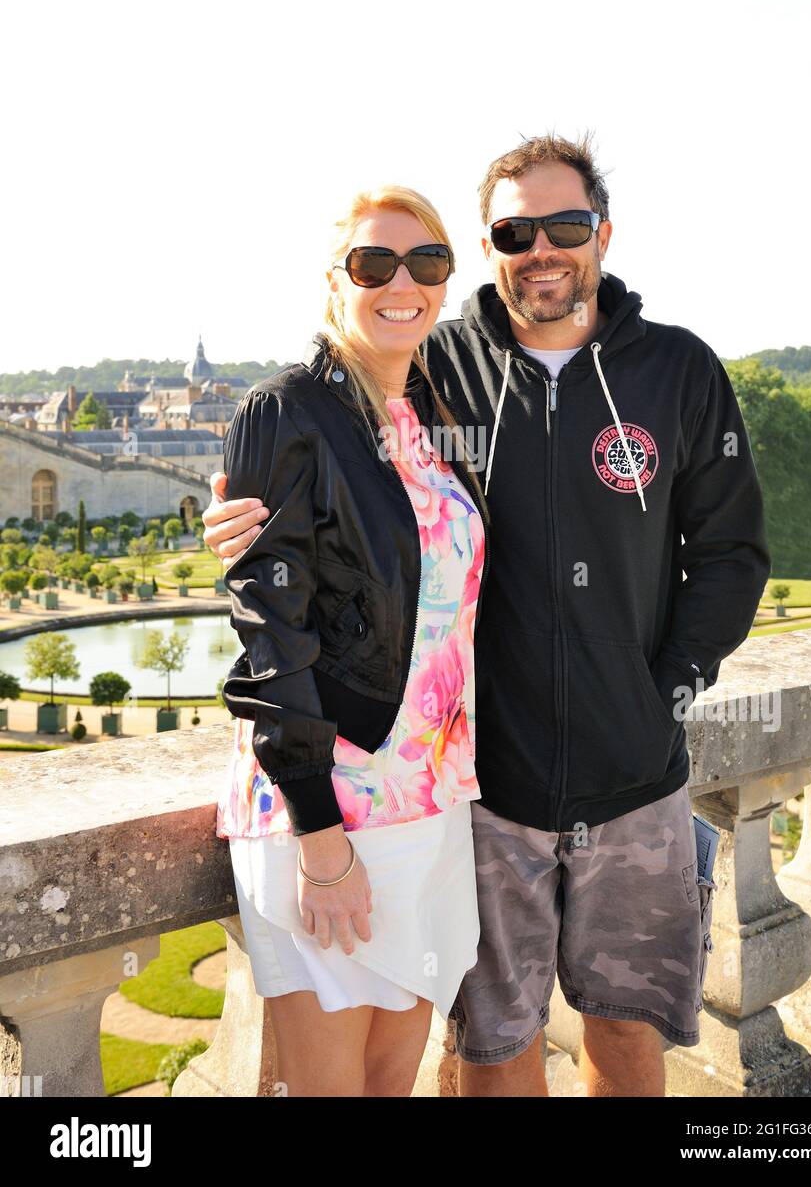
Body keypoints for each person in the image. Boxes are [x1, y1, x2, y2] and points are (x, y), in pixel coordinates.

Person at [206, 133, 771, 1098]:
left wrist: (661, 692)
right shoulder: (440, 366)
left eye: (565, 225)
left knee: (627, 1036)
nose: (542, 248)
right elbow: (310, 508)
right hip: (481, 792)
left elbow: (728, 557)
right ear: (492, 245)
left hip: (626, 780)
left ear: (603, 233)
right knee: (490, 1045)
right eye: (516, 230)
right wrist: (238, 523)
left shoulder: (676, 370)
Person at [213, 184, 489, 1097]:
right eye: (374, 263)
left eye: (426, 262)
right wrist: (319, 837)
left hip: (432, 798)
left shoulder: (432, 415)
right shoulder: (284, 412)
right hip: (328, 801)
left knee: (388, 1087)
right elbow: (269, 633)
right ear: (335, 282)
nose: (400, 282)